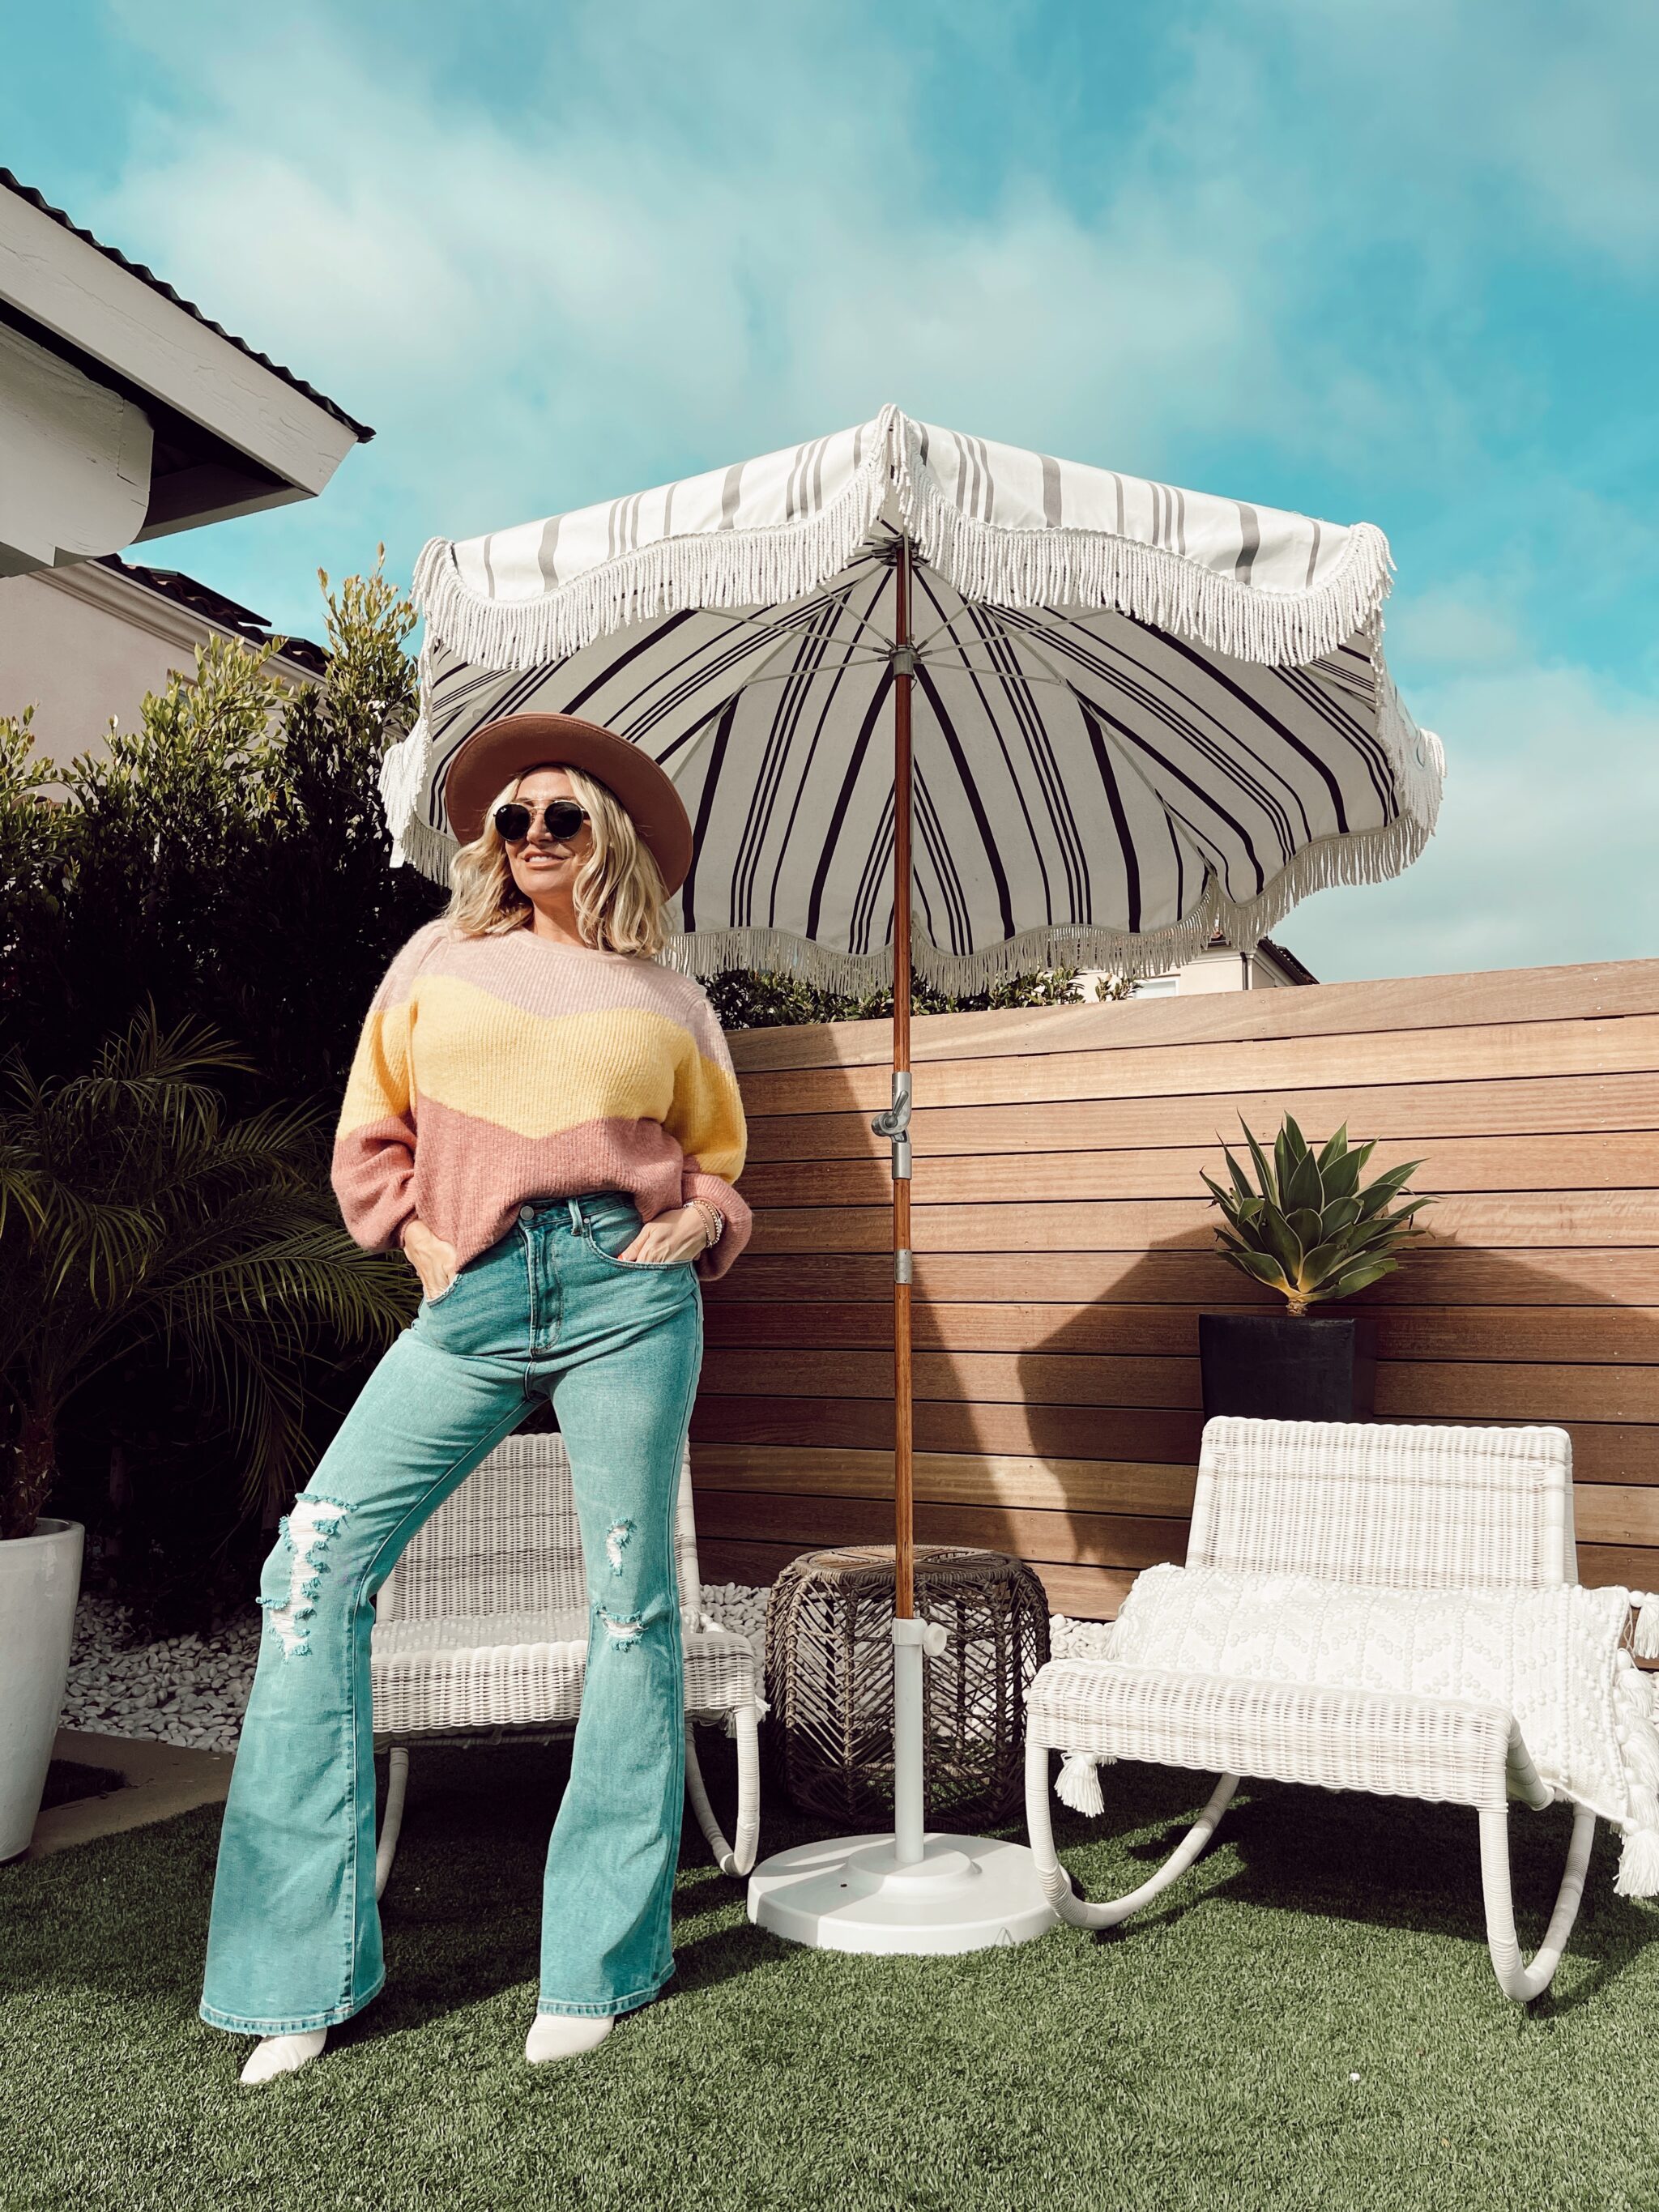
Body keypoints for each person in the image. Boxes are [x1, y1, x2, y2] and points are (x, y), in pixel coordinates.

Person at [198, 710, 751, 2083]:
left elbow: (717, 1155)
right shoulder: (435, 961)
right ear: (488, 844)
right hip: (476, 1295)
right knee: (311, 1567)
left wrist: (705, 1223)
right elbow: (367, 1132)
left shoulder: (672, 996)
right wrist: (426, 1239)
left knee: (630, 1603)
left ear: (606, 834)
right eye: (513, 820)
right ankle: (299, 1975)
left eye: (563, 816)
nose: (537, 839)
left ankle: (599, 1959)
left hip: (631, 1289)